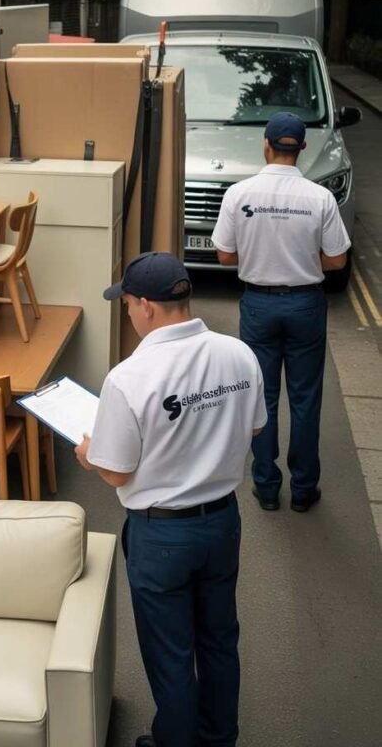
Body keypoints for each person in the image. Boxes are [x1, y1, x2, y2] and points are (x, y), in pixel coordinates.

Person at [75, 252, 266, 747]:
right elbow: (256, 425)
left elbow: (117, 471)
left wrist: (87, 455)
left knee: (171, 654)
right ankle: (219, 737)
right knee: (220, 639)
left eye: (129, 305)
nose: (129, 314)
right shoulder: (238, 354)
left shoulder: (128, 378)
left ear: (147, 307)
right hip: (223, 521)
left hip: (160, 535)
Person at [212, 111, 350, 513]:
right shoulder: (320, 197)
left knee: (262, 396)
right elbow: (338, 261)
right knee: (305, 399)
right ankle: (304, 489)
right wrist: (303, 262)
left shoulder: (240, 194)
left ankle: (267, 486)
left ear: (267, 145)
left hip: (258, 303)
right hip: (306, 304)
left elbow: (223, 256)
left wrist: (259, 256)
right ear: (302, 148)